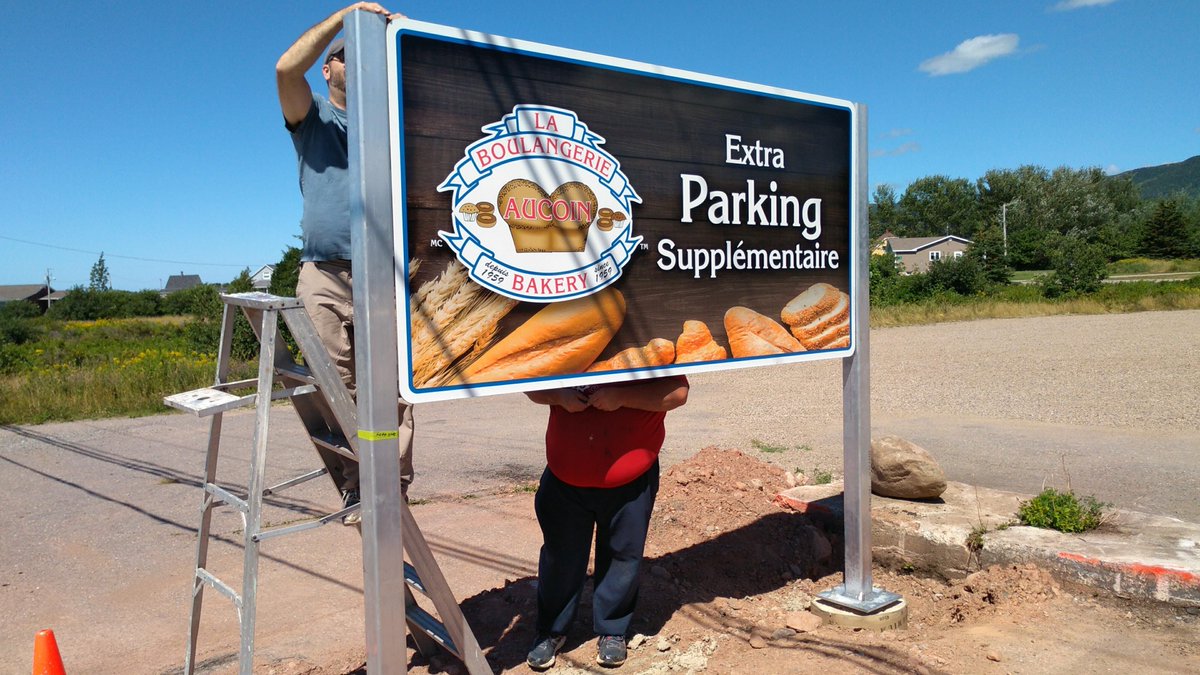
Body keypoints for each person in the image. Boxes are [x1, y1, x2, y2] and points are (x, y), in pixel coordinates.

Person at [276, 3, 413, 524]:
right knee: (338, 385)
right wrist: (345, 18)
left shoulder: (389, 124)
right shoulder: (312, 117)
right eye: (343, 55)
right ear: (329, 69)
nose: (354, 60)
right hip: (325, 274)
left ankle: (393, 487)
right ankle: (359, 485)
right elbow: (286, 70)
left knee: (396, 387)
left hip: (387, 274)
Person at [524, 376, 689, 670]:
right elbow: (529, 386)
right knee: (561, 556)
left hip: (630, 481)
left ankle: (613, 630)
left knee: (622, 555)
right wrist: (560, 396)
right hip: (566, 477)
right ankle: (551, 629)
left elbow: (677, 393)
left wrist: (621, 398)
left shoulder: (646, 341)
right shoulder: (569, 342)